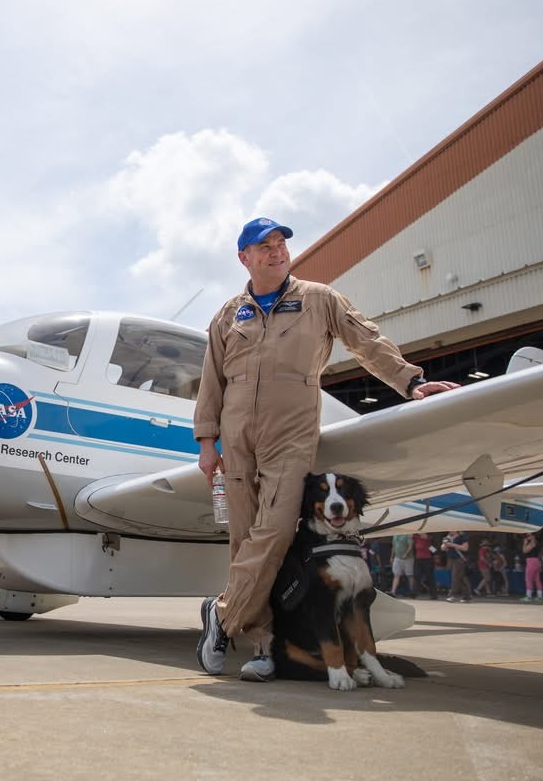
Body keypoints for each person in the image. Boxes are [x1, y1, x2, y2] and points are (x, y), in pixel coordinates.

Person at [193, 216, 459, 681]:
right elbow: (212, 381)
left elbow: (366, 339)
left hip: (290, 436)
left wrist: (410, 380)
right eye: (265, 246)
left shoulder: (319, 300)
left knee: (274, 534)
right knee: (243, 543)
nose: (277, 251)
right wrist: (206, 442)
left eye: (281, 244)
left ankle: (221, 614)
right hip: (236, 441)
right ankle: (263, 647)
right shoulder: (227, 314)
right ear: (245, 257)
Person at [441, 531, 471, 602]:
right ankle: (467, 596)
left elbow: (465, 548)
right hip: (450, 559)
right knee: (460, 577)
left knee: (454, 576)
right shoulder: (447, 537)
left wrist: (452, 544)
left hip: (459, 559)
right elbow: (442, 548)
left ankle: (453, 595)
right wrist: (445, 545)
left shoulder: (462, 537)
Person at [412, 532, 437, 600]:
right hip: (418, 559)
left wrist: (432, 551)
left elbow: (434, 550)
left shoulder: (428, 538)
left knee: (429, 578)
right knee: (416, 575)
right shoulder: (416, 537)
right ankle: (415, 593)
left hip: (427, 559)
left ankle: (434, 595)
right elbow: (410, 535)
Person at [390, 532, 415, 597]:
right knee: (396, 574)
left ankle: (412, 591)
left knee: (409, 575)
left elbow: (410, 545)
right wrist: (392, 556)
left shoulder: (407, 534)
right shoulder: (394, 535)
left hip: (408, 558)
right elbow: (394, 546)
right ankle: (393, 592)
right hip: (397, 557)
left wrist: (406, 554)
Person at [521, 533, 543, 602]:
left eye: (528, 535)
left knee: (528, 579)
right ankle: (540, 596)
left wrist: (524, 543)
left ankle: (529, 596)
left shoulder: (532, 543)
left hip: (531, 562)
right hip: (537, 561)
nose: (527, 537)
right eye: (526, 536)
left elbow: (524, 551)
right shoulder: (537, 542)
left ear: (533, 536)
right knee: (537, 579)